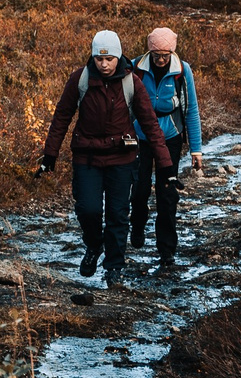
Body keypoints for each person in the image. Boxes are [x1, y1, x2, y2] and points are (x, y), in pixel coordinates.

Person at [39, 29, 172, 289]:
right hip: (86, 158)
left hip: (122, 160)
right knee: (88, 209)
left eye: (109, 59)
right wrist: (50, 155)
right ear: (93, 58)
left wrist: (166, 165)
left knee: (118, 216)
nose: (104, 64)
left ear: (118, 57)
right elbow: (61, 117)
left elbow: (151, 125)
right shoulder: (80, 79)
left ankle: (114, 269)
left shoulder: (131, 82)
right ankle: (93, 243)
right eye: (99, 59)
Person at [130, 26, 204, 276]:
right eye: (156, 55)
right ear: (149, 51)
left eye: (165, 54)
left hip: (170, 137)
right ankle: (137, 224)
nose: (161, 59)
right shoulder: (135, 68)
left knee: (167, 194)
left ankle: (166, 251)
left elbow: (191, 109)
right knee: (139, 188)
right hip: (140, 136)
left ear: (172, 51)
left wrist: (197, 150)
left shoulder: (182, 71)